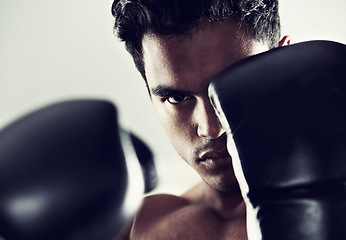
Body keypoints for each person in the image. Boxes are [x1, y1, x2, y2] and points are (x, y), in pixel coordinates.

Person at [111, 0, 290, 239]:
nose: (211, 129)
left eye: (234, 89)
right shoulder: (134, 227)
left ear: (286, 65)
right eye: (176, 97)